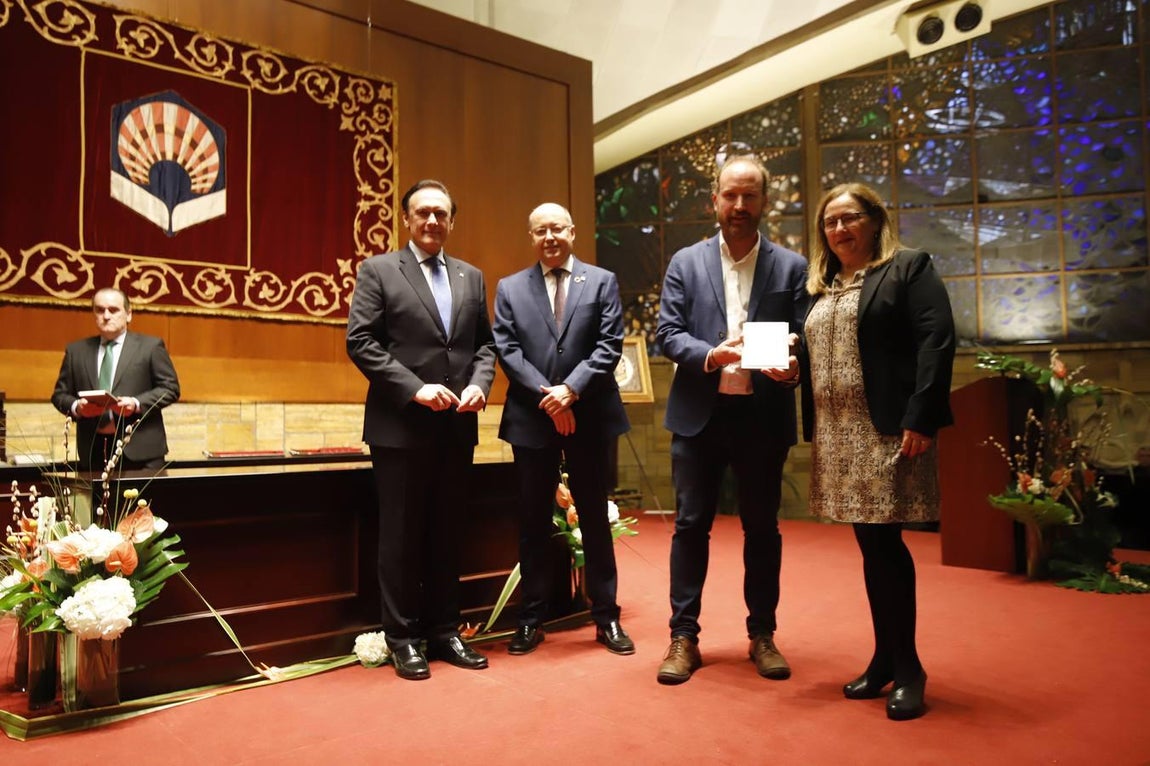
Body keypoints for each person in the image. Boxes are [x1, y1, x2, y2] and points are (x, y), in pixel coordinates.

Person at [798, 182, 956, 721]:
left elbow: (938, 339)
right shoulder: (821, 285)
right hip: (837, 431)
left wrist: (923, 415)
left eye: (849, 218)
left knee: (886, 547)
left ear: (873, 220)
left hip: (886, 427)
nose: (839, 230)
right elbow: (814, 352)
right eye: (830, 222)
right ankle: (885, 656)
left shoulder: (907, 267)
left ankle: (909, 668)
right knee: (871, 547)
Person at [654, 154, 808, 685]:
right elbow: (667, 333)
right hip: (700, 413)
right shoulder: (686, 262)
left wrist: (791, 369)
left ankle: (762, 634)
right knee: (690, 527)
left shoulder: (792, 267)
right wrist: (712, 355)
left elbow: (805, 339)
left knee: (762, 528)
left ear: (764, 201)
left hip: (762, 415)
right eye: (730, 195)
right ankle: (683, 637)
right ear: (714, 200)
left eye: (749, 196)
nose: (739, 206)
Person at [346, 179, 496, 681]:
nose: (432, 221)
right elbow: (361, 341)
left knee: (448, 533)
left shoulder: (471, 277)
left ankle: (445, 630)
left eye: (441, 213)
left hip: (456, 427)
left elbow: (483, 347)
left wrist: (480, 384)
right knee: (402, 536)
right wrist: (415, 388)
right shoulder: (380, 270)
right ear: (406, 219)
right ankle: (404, 638)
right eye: (422, 213)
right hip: (401, 427)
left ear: (452, 220)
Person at [493, 202, 633, 657]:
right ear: (530, 237)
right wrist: (548, 397)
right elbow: (507, 350)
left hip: (589, 415)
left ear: (571, 231)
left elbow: (610, 344)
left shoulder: (601, 281)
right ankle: (531, 620)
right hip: (532, 418)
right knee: (533, 520)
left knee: (594, 518)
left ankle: (607, 617)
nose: (549, 237)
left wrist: (570, 392)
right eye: (540, 231)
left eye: (556, 228)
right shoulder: (511, 288)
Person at [51, 287, 180, 471]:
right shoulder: (76, 351)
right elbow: (59, 395)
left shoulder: (150, 347)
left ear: (128, 314)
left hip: (142, 453)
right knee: (96, 501)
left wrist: (136, 403)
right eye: (99, 310)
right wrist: (77, 407)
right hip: (93, 452)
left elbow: (170, 388)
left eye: (113, 310)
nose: (106, 315)